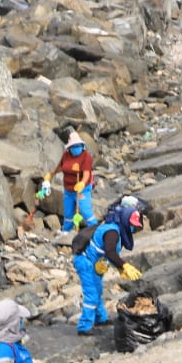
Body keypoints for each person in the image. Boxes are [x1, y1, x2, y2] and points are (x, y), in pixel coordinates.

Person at [73, 197, 144, 335]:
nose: (132, 228)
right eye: (131, 225)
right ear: (125, 220)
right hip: (86, 262)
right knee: (92, 294)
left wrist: (118, 268)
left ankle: (101, 318)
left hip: (95, 264)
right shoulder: (112, 232)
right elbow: (110, 252)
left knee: (98, 290)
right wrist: (124, 266)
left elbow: (109, 254)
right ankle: (84, 327)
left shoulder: (116, 229)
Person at [41, 130, 95, 234]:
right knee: (68, 212)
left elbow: (87, 174)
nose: (76, 148)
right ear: (70, 147)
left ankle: (95, 231)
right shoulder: (66, 155)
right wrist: (50, 175)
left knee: (85, 210)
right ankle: (67, 231)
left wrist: (82, 183)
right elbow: (61, 167)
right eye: (74, 146)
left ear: (81, 145)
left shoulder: (86, 157)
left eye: (78, 145)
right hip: (68, 188)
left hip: (81, 189)